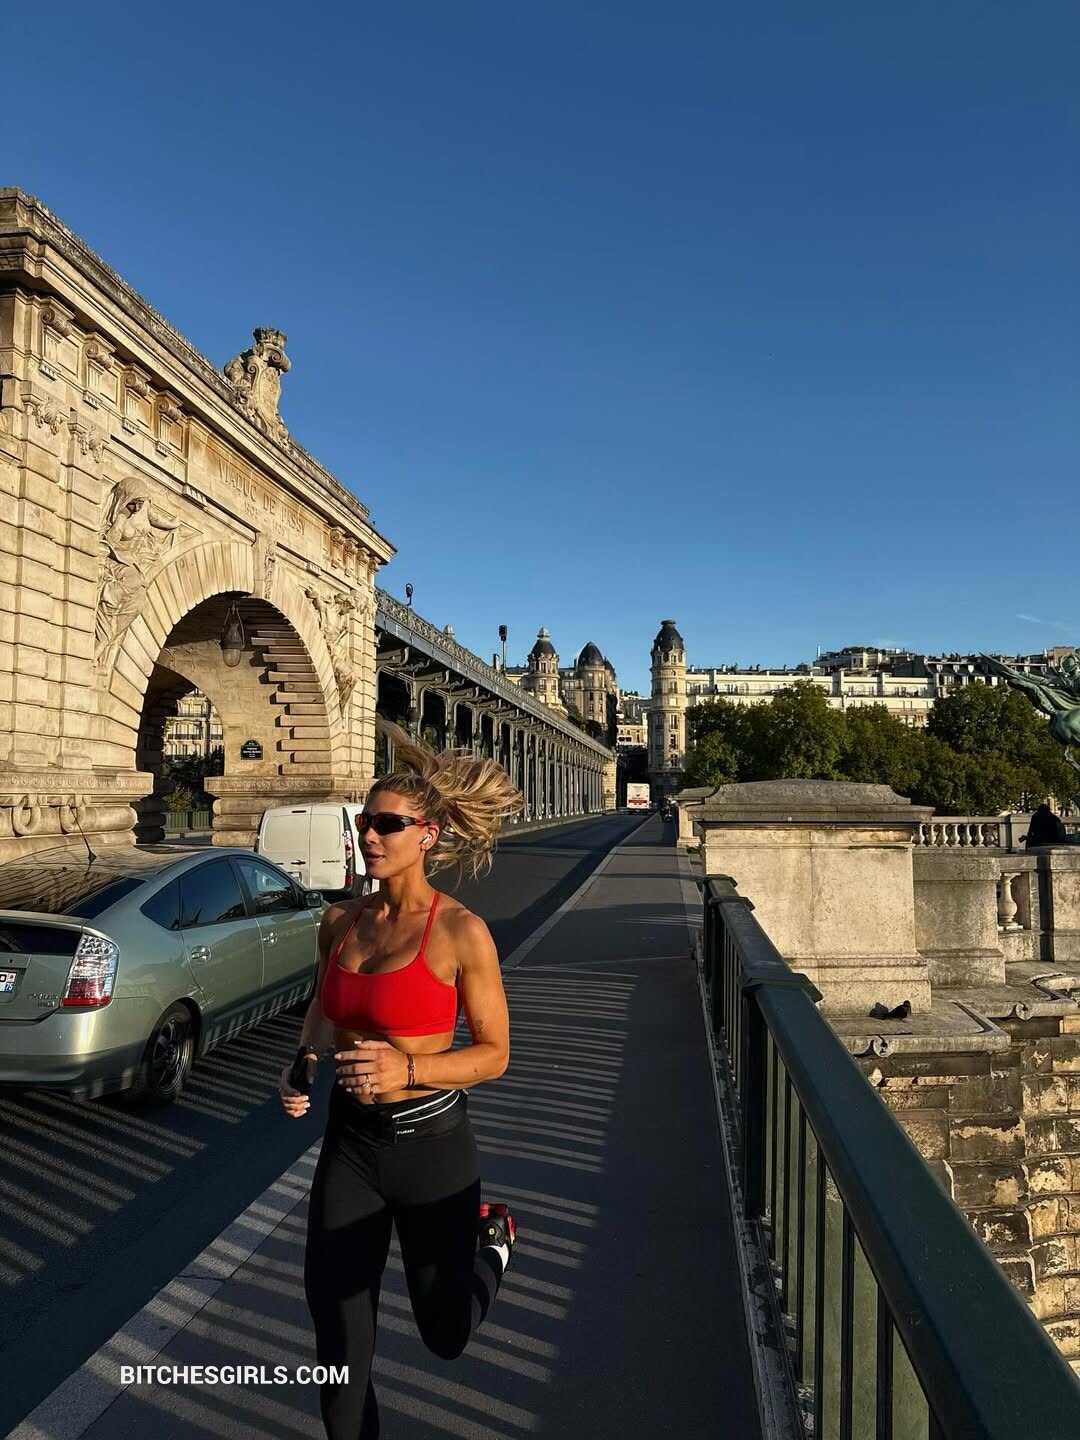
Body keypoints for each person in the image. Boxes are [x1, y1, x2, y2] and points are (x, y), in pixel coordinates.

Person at [280, 719, 524, 1439]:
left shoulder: (460, 932)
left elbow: (494, 1054)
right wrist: (303, 1061)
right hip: (351, 1145)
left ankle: (494, 1241)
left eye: (387, 824)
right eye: (365, 821)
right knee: (338, 1339)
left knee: (444, 1333)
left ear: (428, 836)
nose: (370, 834)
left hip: (432, 1150)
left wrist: (408, 1066)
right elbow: (323, 1007)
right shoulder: (339, 921)